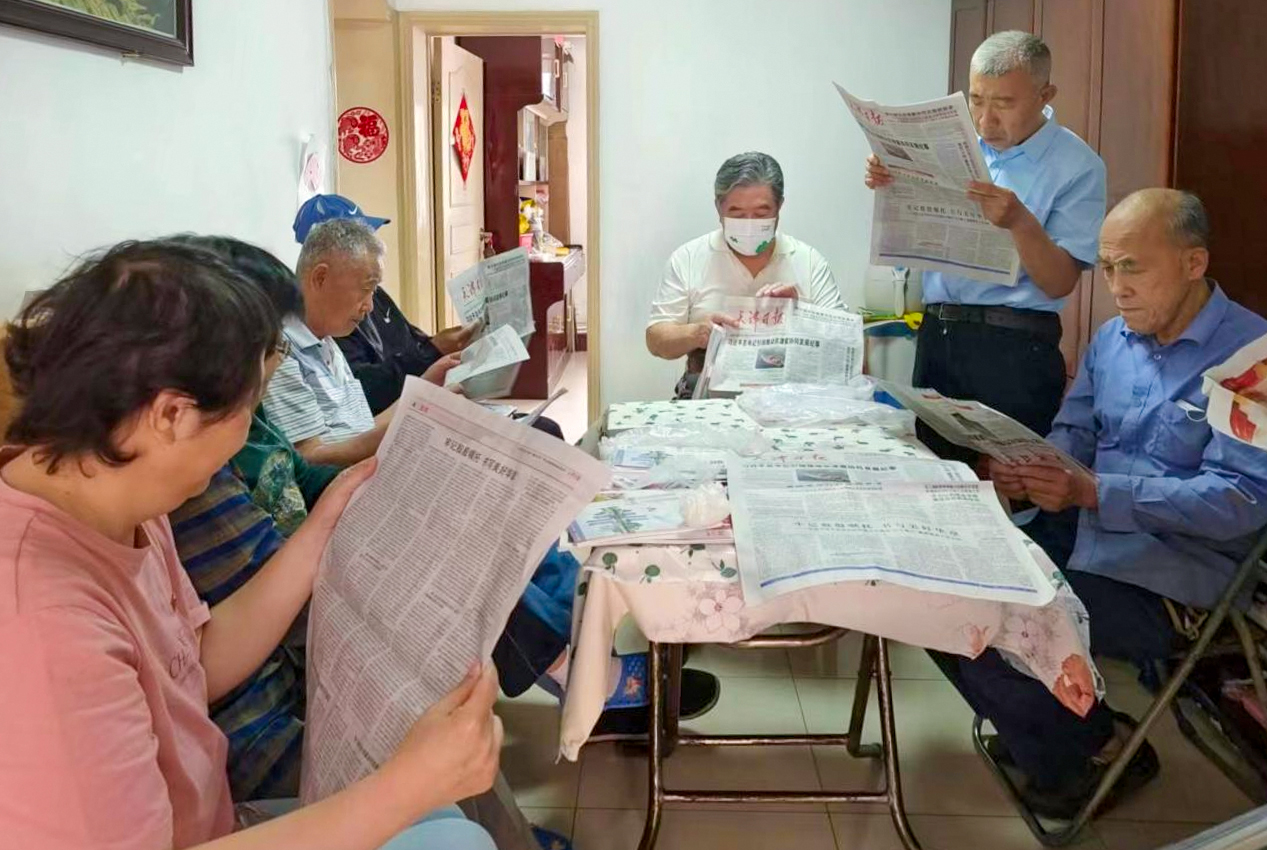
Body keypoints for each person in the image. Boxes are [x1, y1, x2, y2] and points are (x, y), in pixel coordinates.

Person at [0, 239, 500, 850]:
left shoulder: (120, 494)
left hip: (214, 817)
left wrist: (322, 528)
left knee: (449, 824)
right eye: (249, 407)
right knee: (454, 835)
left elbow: (192, 662)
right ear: (172, 416)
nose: (247, 439)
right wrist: (405, 786)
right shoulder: (42, 623)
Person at [931, 190, 1267, 820]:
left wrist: (1095, 492)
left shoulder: (1254, 360)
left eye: (1132, 267)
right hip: (1083, 532)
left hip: (1175, 576)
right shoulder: (1113, 340)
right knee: (934, 588)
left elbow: (1240, 501)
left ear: (1194, 263)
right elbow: (1073, 435)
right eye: (1108, 268)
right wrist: (1029, 468)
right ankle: (1074, 736)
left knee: (995, 616)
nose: (1117, 288)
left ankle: (1086, 752)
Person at [865, 31, 1107, 463]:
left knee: (1010, 481)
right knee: (934, 472)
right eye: (976, 100)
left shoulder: (1078, 166)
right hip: (937, 335)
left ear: (1044, 95)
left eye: (1004, 104)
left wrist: (1020, 223)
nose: (985, 120)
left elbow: (1059, 283)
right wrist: (893, 181)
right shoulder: (954, 146)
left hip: (1013, 346)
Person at [647, 151, 845, 398]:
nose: (750, 225)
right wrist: (698, 333)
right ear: (718, 208)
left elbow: (844, 347)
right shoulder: (688, 258)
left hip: (789, 399)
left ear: (779, 207)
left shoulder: (808, 261)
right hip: (707, 397)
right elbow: (656, 340)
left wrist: (800, 314)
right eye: (737, 214)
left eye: (761, 214)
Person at [293, 195, 481, 417]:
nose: (369, 305)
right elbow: (367, 396)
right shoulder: (323, 330)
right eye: (359, 238)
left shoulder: (334, 340)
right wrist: (430, 357)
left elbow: (410, 337)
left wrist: (437, 352)